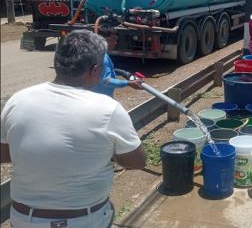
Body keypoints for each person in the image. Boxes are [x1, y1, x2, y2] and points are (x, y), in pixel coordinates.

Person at [1, 30, 146, 228]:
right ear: (95, 70)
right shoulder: (107, 109)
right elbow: (137, 161)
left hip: (23, 218)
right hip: (83, 220)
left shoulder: (17, 100)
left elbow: (4, 154)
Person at [92, 26, 142, 98]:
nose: (115, 43)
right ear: (103, 39)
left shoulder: (93, 53)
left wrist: (124, 73)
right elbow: (106, 81)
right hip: (102, 98)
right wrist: (128, 83)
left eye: (116, 40)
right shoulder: (103, 57)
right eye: (113, 39)